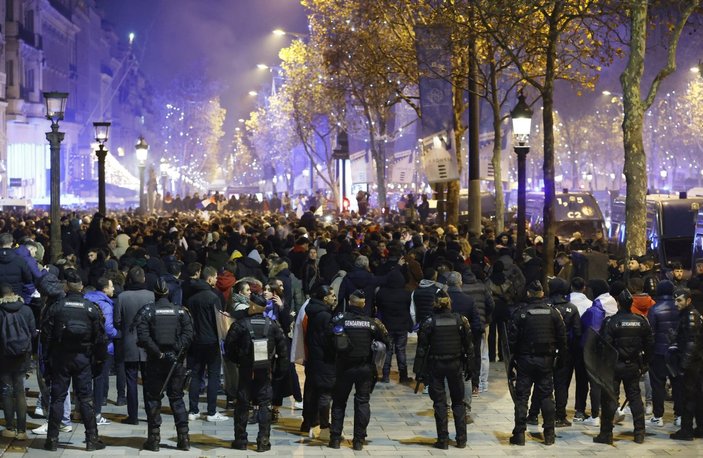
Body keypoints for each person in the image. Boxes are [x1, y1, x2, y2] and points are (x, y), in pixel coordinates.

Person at [40, 268, 107, 451]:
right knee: (86, 399)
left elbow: (46, 336)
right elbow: (100, 338)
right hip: (83, 358)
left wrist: (46, 360)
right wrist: (100, 360)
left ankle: (52, 440)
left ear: (66, 287)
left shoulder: (57, 307)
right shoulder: (91, 308)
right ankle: (91, 439)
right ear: (82, 287)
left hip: (61, 358)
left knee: (58, 399)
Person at [224, 292, 289, 452]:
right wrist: (279, 371)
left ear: (253, 306)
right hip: (265, 371)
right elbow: (283, 351)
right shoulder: (273, 325)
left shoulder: (240, 324)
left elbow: (228, 347)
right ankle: (263, 442)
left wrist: (238, 361)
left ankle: (241, 441)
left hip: (246, 371)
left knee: (242, 405)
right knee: (265, 405)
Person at [135, 278, 194, 451]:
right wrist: (174, 350)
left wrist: (158, 352)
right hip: (175, 362)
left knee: (153, 399)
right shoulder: (180, 312)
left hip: (155, 361)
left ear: (154, 293)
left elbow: (143, 337)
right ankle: (184, 439)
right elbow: (189, 334)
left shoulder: (147, 311)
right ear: (168, 293)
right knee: (177, 399)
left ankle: (153, 439)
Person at [328, 290, 390, 450]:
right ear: (364, 305)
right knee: (362, 401)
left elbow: (328, 340)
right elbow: (386, 342)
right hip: (365, 368)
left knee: (339, 402)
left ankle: (335, 439)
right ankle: (358, 441)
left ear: (349, 302)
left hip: (344, 367)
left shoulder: (340, 320)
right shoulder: (372, 323)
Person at [508, 280, 566, 446]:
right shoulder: (553, 313)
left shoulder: (521, 313)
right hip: (546, 360)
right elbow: (562, 338)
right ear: (542, 294)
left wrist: (513, 362)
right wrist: (561, 359)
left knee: (522, 397)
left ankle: (519, 434)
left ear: (528, 294)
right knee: (547, 396)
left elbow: (512, 340)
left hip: (525, 360)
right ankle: (549, 434)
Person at [593, 284, 653, 445]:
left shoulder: (611, 321)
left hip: (614, 366)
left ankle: (606, 434)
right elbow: (649, 344)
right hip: (633, 365)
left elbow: (604, 345)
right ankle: (639, 433)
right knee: (635, 398)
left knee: (610, 399)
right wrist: (645, 363)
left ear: (618, 303)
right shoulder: (641, 321)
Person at [414, 289, 473, 449]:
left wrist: (419, 372)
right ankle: (462, 439)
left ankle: (443, 440)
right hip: (455, 364)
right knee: (458, 402)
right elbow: (469, 347)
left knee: (440, 403)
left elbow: (422, 349)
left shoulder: (429, 322)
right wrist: (471, 368)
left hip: (436, 366)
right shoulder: (461, 320)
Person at [186, 266, 228, 422]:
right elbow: (218, 321)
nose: (217, 280)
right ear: (209, 278)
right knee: (213, 375)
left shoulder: (191, 298)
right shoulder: (213, 297)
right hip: (211, 341)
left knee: (196, 374)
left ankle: (193, 410)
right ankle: (211, 412)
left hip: (196, 341)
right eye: (215, 277)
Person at [115, 266, 155, 425]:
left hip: (129, 343)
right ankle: (151, 414)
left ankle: (133, 416)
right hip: (148, 345)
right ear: (144, 278)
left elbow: (117, 321)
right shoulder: (152, 296)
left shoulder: (122, 297)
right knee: (149, 381)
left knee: (131, 380)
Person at [0, 282, 36, 440]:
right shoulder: (26, 309)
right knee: (20, 390)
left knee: (6, 390)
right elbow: (33, 332)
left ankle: (9, 428)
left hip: (4, 356)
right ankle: (22, 431)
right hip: (23, 355)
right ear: (13, 293)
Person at [302, 285, 337, 440]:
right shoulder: (324, 316)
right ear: (325, 298)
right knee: (324, 393)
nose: (335, 298)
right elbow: (328, 340)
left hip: (313, 359)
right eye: (332, 295)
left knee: (312, 391)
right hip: (323, 360)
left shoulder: (313, 311)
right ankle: (323, 426)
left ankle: (308, 422)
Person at [669, 288, 703, 440]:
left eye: (679, 300)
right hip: (693, 362)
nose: (676, 303)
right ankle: (698, 428)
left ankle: (687, 430)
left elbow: (692, 342)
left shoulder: (691, 315)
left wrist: (684, 364)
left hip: (691, 364)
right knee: (695, 396)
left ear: (688, 301)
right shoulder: (688, 314)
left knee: (688, 396)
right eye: (675, 300)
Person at [84, 277, 119, 425]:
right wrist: (119, 334)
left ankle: (83, 410)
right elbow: (109, 330)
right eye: (111, 286)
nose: (113, 289)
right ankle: (97, 414)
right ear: (104, 289)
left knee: (84, 380)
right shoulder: (106, 305)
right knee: (99, 380)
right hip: (102, 347)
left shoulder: (85, 299)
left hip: (85, 345)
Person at [647, 281, 680, 427]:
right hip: (676, 352)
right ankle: (679, 415)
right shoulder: (680, 308)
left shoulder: (654, 309)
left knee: (658, 385)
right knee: (677, 384)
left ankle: (658, 416)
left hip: (659, 353)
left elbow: (651, 334)